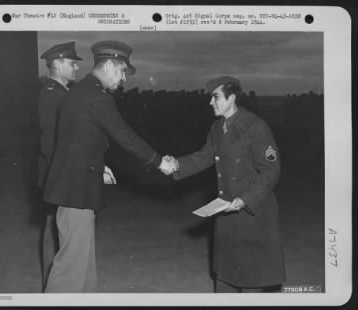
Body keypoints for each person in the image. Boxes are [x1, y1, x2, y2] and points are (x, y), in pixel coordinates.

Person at [42, 40, 168, 293]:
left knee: (84, 267)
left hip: (77, 185)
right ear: (109, 65)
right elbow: (125, 136)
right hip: (76, 190)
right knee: (70, 268)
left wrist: (99, 164)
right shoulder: (95, 95)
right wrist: (159, 161)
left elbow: (77, 139)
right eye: (122, 71)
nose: (123, 79)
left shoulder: (84, 92)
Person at [161, 76, 286, 293]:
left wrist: (245, 199)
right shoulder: (217, 128)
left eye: (216, 97)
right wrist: (176, 165)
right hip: (226, 210)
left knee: (250, 281)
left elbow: (271, 169)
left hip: (252, 213)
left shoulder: (257, 127)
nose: (211, 103)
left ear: (232, 98)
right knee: (225, 278)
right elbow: (203, 157)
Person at [38, 42, 116, 292]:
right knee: (65, 244)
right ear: (57, 64)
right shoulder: (56, 96)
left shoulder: (58, 93)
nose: (76, 67)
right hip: (62, 177)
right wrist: (63, 178)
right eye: (71, 62)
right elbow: (52, 143)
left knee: (61, 235)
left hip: (60, 175)